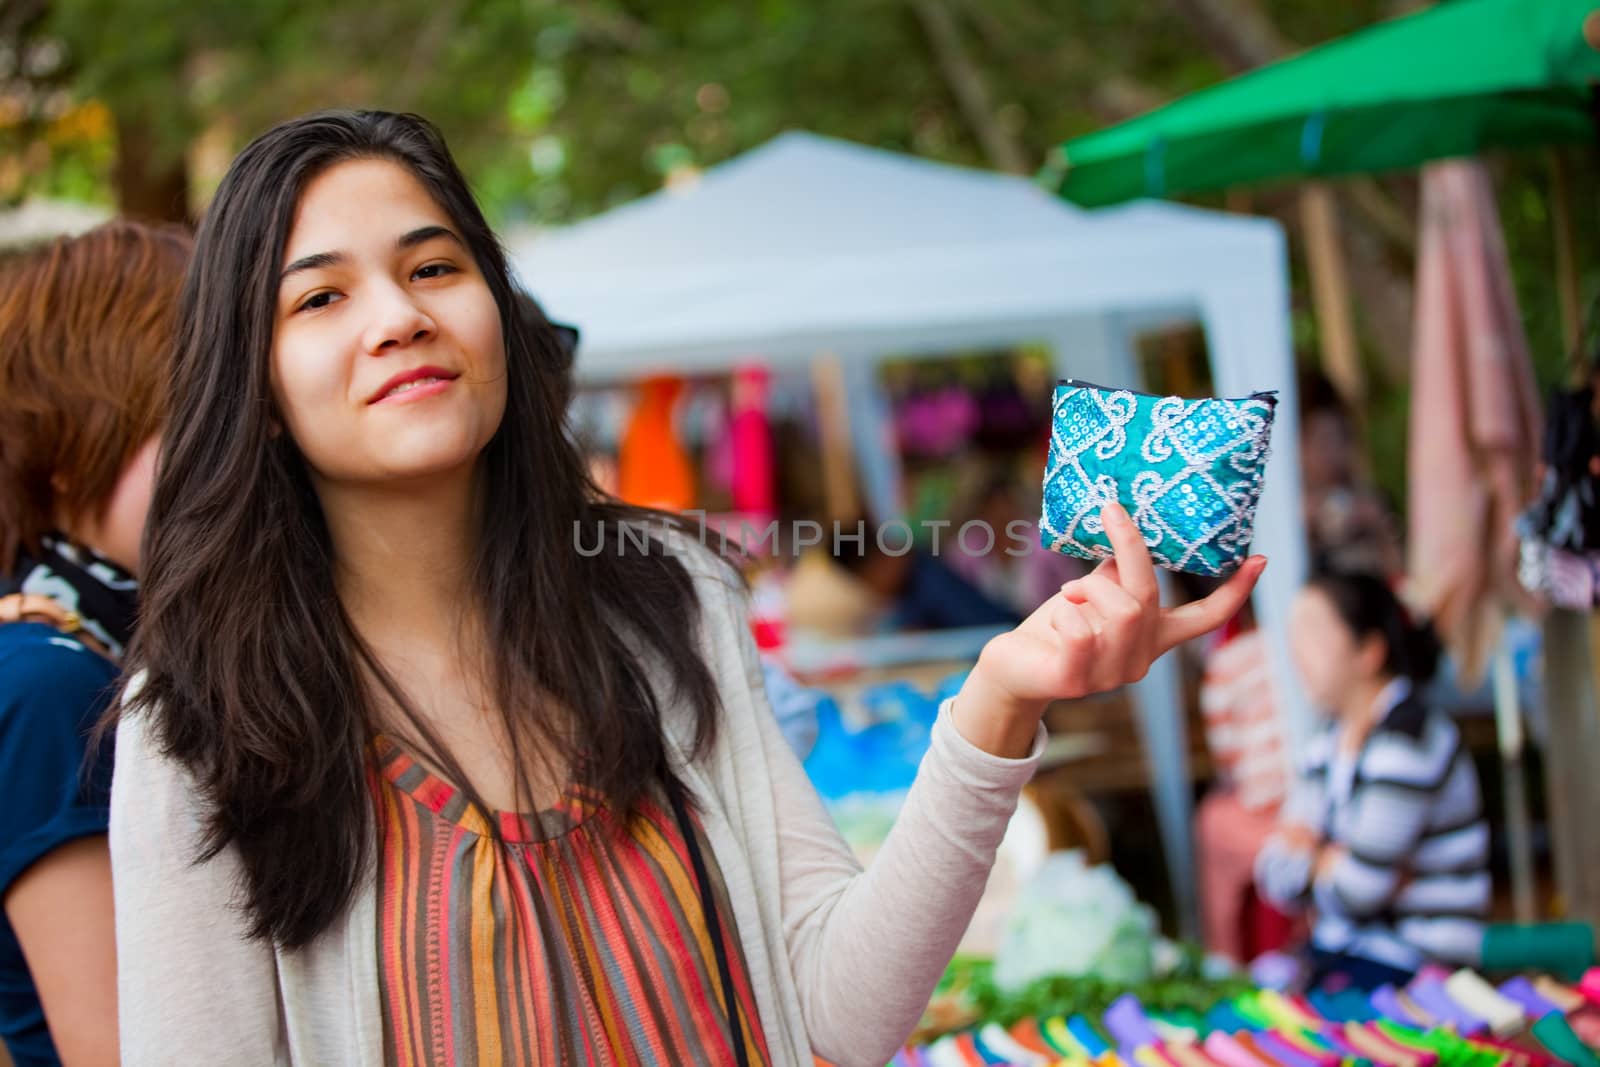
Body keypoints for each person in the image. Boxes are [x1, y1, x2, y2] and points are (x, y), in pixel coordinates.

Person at [108, 110, 1261, 1066]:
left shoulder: (665, 602)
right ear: (253, 385)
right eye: (320, 299)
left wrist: (999, 699)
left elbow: (832, 1015)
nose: (399, 316)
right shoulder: (206, 718)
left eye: (433, 267)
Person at [0, 221, 192, 1066]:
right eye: (184, 419)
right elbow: (117, 1046)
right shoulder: (47, 680)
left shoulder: (132, 646)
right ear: (68, 452)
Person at [1256, 571, 1490, 990]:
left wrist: (1313, 852)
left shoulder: (1410, 739)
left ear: (1368, 652)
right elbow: (1273, 877)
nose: (1296, 653)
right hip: (1352, 952)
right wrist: (1332, 863)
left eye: (1314, 634)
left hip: (1420, 966)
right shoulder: (1327, 740)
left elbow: (1357, 893)